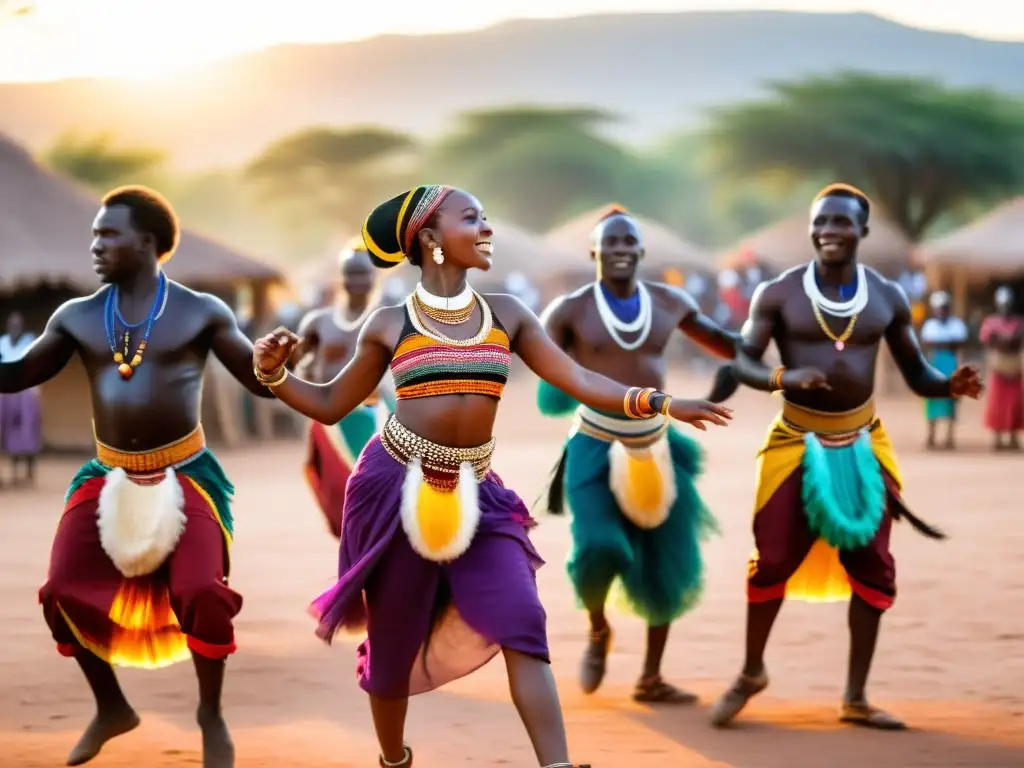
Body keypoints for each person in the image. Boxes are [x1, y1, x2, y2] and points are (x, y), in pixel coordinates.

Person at [250, 185, 733, 768]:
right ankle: (392, 759)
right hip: (391, 489)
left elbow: (578, 378)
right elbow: (328, 403)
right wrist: (273, 374)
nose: (487, 228)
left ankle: (555, 766)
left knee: (522, 618)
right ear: (430, 239)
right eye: (471, 218)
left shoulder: (508, 313)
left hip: (479, 493)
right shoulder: (387, 324)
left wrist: (656, 401)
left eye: (485, 217)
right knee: (392, 653)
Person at [1, 185, 277, 768]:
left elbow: (256, 377)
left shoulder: (202, 310)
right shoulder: (75, 316)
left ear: (148, 243)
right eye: (95, 234)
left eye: (109, 235)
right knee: (61, 593)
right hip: (107, 477)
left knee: (202, 592)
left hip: (187, 473)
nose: (95, 245)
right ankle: (111, 709)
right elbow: (18, 374)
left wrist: (276, 363)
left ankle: (210, 713)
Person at [708, 183, 981, 731]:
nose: (829, 231)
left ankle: (855, 696)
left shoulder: (887, 298)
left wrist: (948, 385)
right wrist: (785, 377)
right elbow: (742, 363)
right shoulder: (779, 293)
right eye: (821, 222)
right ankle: (751, 671)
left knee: (873, 567)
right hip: (794, 442)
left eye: (842, 222)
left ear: (863, 231)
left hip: (861, 445)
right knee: (775, 559)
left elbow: (918, 373)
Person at [537, 204, 737, 704]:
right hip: (593, 443)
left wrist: (780, 355)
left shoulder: (669, 302)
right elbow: (544, 377)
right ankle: (599, 628)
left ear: (641, 252)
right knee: (600, 546)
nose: (621, 251)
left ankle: (651, 676)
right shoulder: (569, 310)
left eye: (629, 243)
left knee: (662, 560)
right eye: (611, 243)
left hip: (657, 444)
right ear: (594, 252)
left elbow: (727, 343)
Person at [292, 236, 394, 538]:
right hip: (333, 423)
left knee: (382, 499)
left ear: (375, 277)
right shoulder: (319, 323)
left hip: (378, 418)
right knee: (342, 502)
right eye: (351, 274)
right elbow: (296, 365)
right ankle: (356, 562)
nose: (357, 281)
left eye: (363, 274)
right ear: (341, 278)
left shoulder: (389, 319)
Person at [919, 291, 969, 450]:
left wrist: (960, 369)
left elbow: (960, 350)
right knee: (932, 399)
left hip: (950, 363)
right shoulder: (930, 326)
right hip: (934, 363)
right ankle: (931, 436)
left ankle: (949, 437)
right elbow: (926, 349)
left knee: (950, 400)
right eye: (939, 308)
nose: (942, 311)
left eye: (944, 307)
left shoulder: (957, 326)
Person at [0, 311, 42, 486]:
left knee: (28, 432)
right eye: (11, 324)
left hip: (26, 392)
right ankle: (13, 475)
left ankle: (29, 474)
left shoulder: (29, 341)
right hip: (7, 394)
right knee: (8, 433)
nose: (14, 327)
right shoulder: (2, 343)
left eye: (17, 324)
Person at [979, 286, 1023, 451]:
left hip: (1014, 368)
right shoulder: (991, 323)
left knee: (1014, 404)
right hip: (998, 367)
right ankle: (997, 437)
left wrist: (1006, 340)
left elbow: (1017, 341)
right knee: (997, 404)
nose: (1005, 308)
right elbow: (987, 340)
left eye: (1008, 305)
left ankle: (1012, 437)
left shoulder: (1019, 322)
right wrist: (1003, 341)